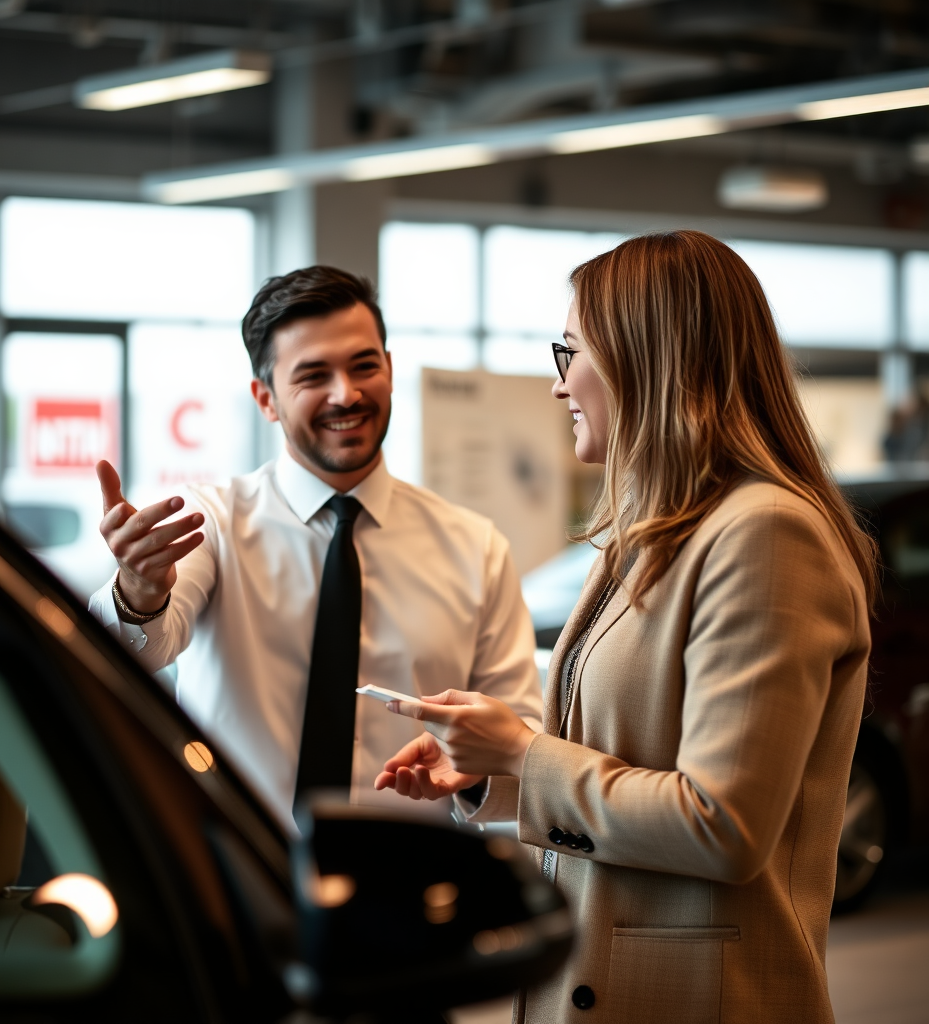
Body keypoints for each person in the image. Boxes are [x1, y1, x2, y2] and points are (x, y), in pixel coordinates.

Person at [375, 231, 877, 1024]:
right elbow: (622, 761)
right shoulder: (653, 535)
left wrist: (522, 752)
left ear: (648, 356)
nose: (558, 384)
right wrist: (488, 772)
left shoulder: (767, 534)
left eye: (569, 351)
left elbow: (724, 827)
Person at [88, 265, 542, 834]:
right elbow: (138, 653)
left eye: (364, 366)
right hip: (242, 882)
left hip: (413, 888)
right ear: (266, 399)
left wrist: (472, 777)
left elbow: (521, 741)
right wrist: (139, 592)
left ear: (391, 370)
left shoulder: (476, 548)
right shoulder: (211, 521)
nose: (345, 394)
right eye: (312, 375)